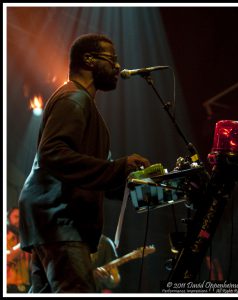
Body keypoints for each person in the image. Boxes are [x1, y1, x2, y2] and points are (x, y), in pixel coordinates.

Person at [18, 33, 150, 293]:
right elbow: (53, 153)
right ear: (89, 60)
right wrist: (117, 168)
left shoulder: (84, 106)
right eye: (112, 59)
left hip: (51, 219)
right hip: (59, 220)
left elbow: (98, 177)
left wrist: (140, 185)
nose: (118, 67)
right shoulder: (73, 99)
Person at [7, 207, 31, 293]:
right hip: (9, 286)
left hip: (26, 285)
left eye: (21, 217)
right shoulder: (7, 236)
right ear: (8, 219)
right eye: (16, 217)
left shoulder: (23, 237)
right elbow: (8, 257)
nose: (20, 220)